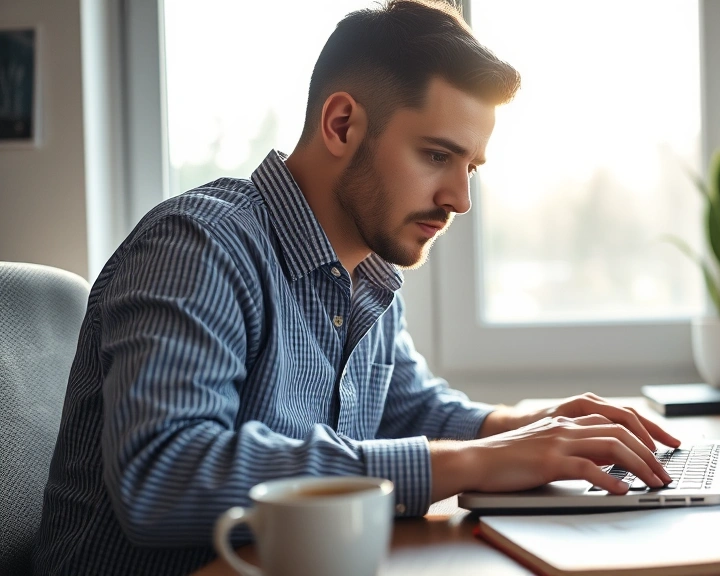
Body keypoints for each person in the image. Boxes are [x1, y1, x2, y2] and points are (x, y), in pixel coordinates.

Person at [33, 1, 679, 574]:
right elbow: (165, 476)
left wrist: (533, 427)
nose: (459, 199)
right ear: (341, 124)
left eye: (471, 167)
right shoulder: (198, 246)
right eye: (436, 156)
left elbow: (409, 411)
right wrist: (477, 463)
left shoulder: (368, 278)